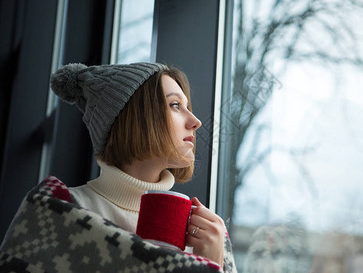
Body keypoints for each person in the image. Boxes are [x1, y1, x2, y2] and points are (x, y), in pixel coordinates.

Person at [0, 62, 236, 272]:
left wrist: (213, 262)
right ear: (135, 118)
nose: (195, 122)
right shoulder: (52, 216)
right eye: (175, 105)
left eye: (187, 106)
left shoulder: (206, 233)